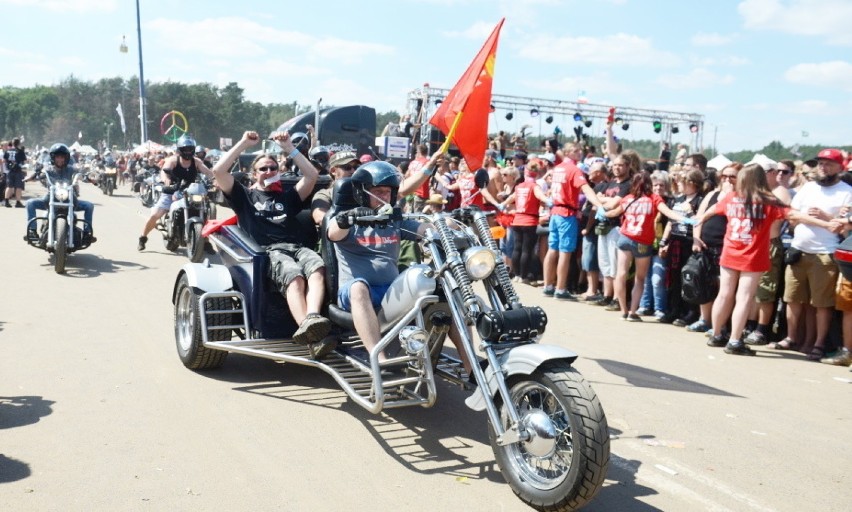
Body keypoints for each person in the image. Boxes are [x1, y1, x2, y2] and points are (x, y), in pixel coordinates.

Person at [327, 160, 471, 372]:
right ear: (362, 192)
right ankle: (380, 357)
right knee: (359, 288)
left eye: (388, 192)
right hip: (355, 293)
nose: (384, 197)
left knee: (445, 293)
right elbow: (333, 232)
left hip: (390, 292)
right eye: (378, 191)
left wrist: (447, 223)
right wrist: (347, 219)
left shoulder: (394, 220)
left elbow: (425, 229)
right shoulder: (348, 219)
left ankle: (471, 367)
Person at [212, 130, 331, 347]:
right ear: (252, 173)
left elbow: (312, 175)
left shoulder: (287, 196)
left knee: (318, 268)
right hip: (268, 251)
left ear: (279, 170)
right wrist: (243, 143)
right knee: (294, 276)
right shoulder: (244, 196)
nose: (269, 171)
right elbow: (219, 171)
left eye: (273, 168)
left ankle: (313, 319)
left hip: (296, 247)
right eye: (263, 169)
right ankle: (311, 334)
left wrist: (288, 148)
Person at [696, 163, 790, 355]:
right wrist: (825, 222)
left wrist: (700, 220)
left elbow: (713, 209)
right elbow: (795, 214)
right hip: (752, 255)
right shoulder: (768, 201)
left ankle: (716, 334)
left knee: (724, 294)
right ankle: (735, 340)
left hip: (730, 251)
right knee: (744, 297)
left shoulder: (732, 197)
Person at [774, 149, 852, 361]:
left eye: (828, 164)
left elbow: (842, 227)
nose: (823, 167)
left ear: (840, 167)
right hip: (799, 248)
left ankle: (818, 343)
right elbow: (792, 215)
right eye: (821, 163)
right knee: (792, 298)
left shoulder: (846, 191)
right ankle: (791, 338)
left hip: (825, 253)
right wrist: (825, 222)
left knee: (821, 304)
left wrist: (824, 218)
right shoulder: (808, 188)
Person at [598, 171, 690, 321]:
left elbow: (614, 212)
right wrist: (684, 219)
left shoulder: (628, 198)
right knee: (640, 279)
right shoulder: (654, 199)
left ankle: (623, 310)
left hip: (625, 237)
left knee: (621, 274)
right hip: (643, 242)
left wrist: (603, 212)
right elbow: (668, 212)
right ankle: (633, 311)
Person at [542, 143, 606, 300]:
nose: (580, 153)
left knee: (552, 249)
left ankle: (547, 285)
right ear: (569, 152)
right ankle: (561, 288)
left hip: (555, 211)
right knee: (565, 251)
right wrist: (598, 204)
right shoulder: (574, 170)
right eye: (576, 151)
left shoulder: (558, 168)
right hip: (566, 213)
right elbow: (585, 188)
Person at [137, 135, 213, 251]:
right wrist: (166, 183)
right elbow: (165, 172)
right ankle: (143, 237)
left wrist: (215, 180)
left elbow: (208, 173)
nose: (188, 152)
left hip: (190, 192)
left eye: (190, 149)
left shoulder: (196, 162)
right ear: (180, 150)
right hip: (172, 191)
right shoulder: (173, 160)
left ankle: (206, 242)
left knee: (205, 214)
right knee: (156, 215)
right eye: (185, 149)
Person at [25, 143, 96, 241]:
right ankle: (32, 231)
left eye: (62, 157)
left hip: (70, 199)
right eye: (57, 157)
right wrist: (31, 177)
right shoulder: (48, 170)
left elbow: (81, 175)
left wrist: (90, 178)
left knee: (89, 206)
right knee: (30, 203)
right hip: (51, 198)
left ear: (66, 158)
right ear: (53, 158)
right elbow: (38, 175)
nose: (60, 159)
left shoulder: (72, 169)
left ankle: (87, 233)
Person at [3, 138, 26, 208]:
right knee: (18, 187)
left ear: (12, 143)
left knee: (9, 187)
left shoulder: (7, 151)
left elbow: (4, 160)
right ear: (19, 143)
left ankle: (6, 201)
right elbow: (24, 161)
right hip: (18, 171)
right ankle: (18, 202)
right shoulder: (20, 151)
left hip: (10, 171)